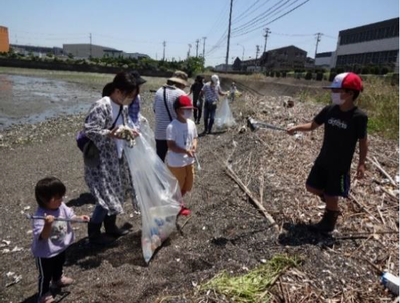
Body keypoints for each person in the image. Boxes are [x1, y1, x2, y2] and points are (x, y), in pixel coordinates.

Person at [287, 72, 368, 233]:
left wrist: (361, 163)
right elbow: (312, 125)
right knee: (311, 186)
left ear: (350, 93)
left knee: (332, 195)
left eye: (337, 91)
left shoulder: (359, 117)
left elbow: (363, 141)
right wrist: (295, 128)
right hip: (323, 159)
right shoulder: (330, 110)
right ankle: (332, 201)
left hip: (340, 165)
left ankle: (329, 221)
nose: (333, 94)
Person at [84, 72, 139, 245]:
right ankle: (94, 233)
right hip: (102, 161)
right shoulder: (102, 105)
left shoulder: (122, 107)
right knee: (106, 198)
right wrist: (110, 134)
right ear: (117, 90)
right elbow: (90, 130)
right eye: (127, 95)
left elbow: (121, 128)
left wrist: (129, 132)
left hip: (118, 157)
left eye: (131, 96)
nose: (128, 99)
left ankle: (111, 227)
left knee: (118, 192)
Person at [32, 177, 90, 303]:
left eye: (62, 196)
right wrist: (47, 224)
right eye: (57, 197)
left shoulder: (61, 206)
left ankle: (57, 279)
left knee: (59, 264)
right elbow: (42, 236)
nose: (61, 200)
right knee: (45, 274)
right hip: (45, 253)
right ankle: (43, 294)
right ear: (44, 199)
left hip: (60, 247)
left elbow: (71, 217)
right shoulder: (40, 216)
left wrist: (80, 218)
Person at [166, 95, 198, 216]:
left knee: (188, 183)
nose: (190, 111)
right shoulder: (172, 126)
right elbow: (171, 145)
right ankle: (177, 206)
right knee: (177, 186)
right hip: (176, 163)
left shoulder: (191, 124)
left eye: (191, 109)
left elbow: (195, 137)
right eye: (187, 109)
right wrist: (185, 151)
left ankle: (176, 202)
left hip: (189, 161)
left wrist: (194, 146)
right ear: (179, 110)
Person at [153, 70, 188, 161]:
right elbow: (185, 115)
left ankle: (159, 175)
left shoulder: (159, 91)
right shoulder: (181, 94)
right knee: (177, 159)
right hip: (175, 132)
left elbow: (155, 110)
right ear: (181, 84)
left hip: (160, 132)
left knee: (160, 159)